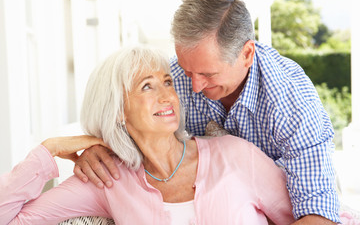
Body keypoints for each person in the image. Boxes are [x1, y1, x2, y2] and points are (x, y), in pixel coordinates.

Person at [73, 0, 341, 224]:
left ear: (247, 54)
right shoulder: (177, 79)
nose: (195, 87)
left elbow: (318, 214)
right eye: (189, 72)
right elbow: (136, 125)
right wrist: (95, 146)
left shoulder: (292, 101)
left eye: (208, 75)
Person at [0, 46, 295, 224]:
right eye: (147, 86)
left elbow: (308, 217)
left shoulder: (235, 154)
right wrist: (49, 149)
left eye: (167, 82)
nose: (167, 95)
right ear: (118, 110)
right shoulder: (107, 180)